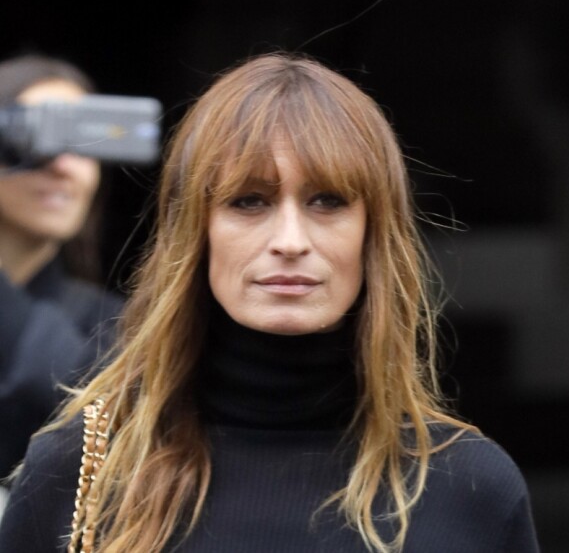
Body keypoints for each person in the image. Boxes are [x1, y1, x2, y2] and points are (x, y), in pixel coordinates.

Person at [0, 52, 540, 552]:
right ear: (196, 232)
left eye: (327, 200)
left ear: (373, 233)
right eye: (248, 201)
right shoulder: (78, 471)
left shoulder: (471, 488)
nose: (289, 239)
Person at [0, 54, 124, 485]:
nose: (62, 165)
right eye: (35, 138)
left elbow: (87, 418)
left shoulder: (115, 326)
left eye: (84, 143)